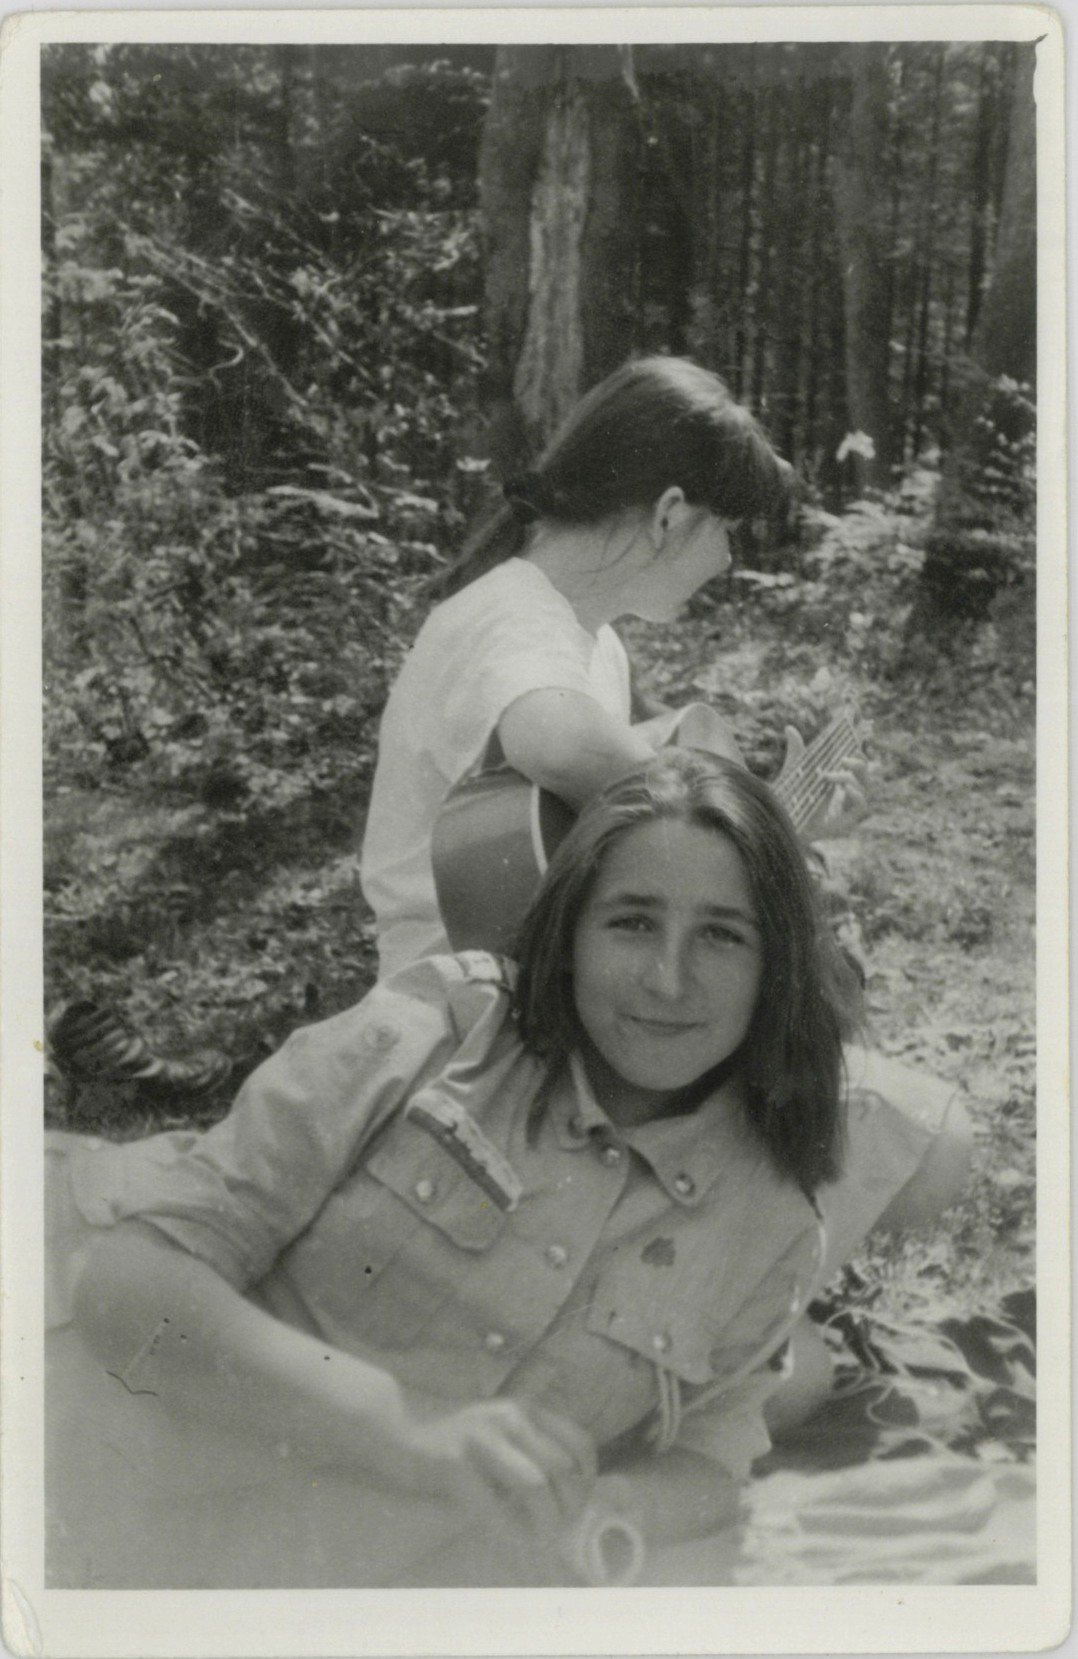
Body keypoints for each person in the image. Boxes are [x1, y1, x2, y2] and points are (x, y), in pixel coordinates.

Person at [48, 750, 884, 1590]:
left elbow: (711, 1457)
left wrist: (620, 1504)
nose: (668, 979)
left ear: (776, 965)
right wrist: (404, 1429)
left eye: (722, 935)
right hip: (107, 1531)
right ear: (570, 934)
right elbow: (124, 1280)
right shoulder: (436, 1033)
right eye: (632, 922)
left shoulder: (772, 1220)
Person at [360, 355, 824, 981]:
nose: (725, 560)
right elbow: (558, 745)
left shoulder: (593, 641)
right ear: (669, 515)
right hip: (457, 1013)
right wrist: (761, 830)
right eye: (727, 531)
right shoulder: (512, 615)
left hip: (525, 986)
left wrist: (783, 823)